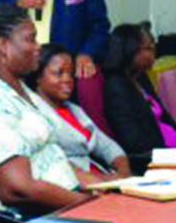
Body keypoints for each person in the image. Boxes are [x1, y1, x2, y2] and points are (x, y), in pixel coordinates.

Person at [0, 4, 91, 217]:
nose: (38, 47)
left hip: (62, 205)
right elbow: (17, 190)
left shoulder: (20, 90)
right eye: (30, 39)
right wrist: (88, 205)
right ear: (3, 45)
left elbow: (53, 158)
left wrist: (106, 188)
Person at [27, 43, 131, 178]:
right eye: (58, 73)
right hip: (74, 187)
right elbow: (54, 162)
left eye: (70, 74)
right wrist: (100, 179)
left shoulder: (74, 110)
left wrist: (123, 173)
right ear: (37, 77)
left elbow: (108, 146)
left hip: (104, 179)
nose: (67, 80)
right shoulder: (34, 113)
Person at [102, 23, 176, 174]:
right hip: (154, 162)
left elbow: (165, 116)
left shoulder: (141, 77)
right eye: (148, 49)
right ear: (129, 51)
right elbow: (133, 142)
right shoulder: (115, 86)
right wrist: (170, 154)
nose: (154, 53)